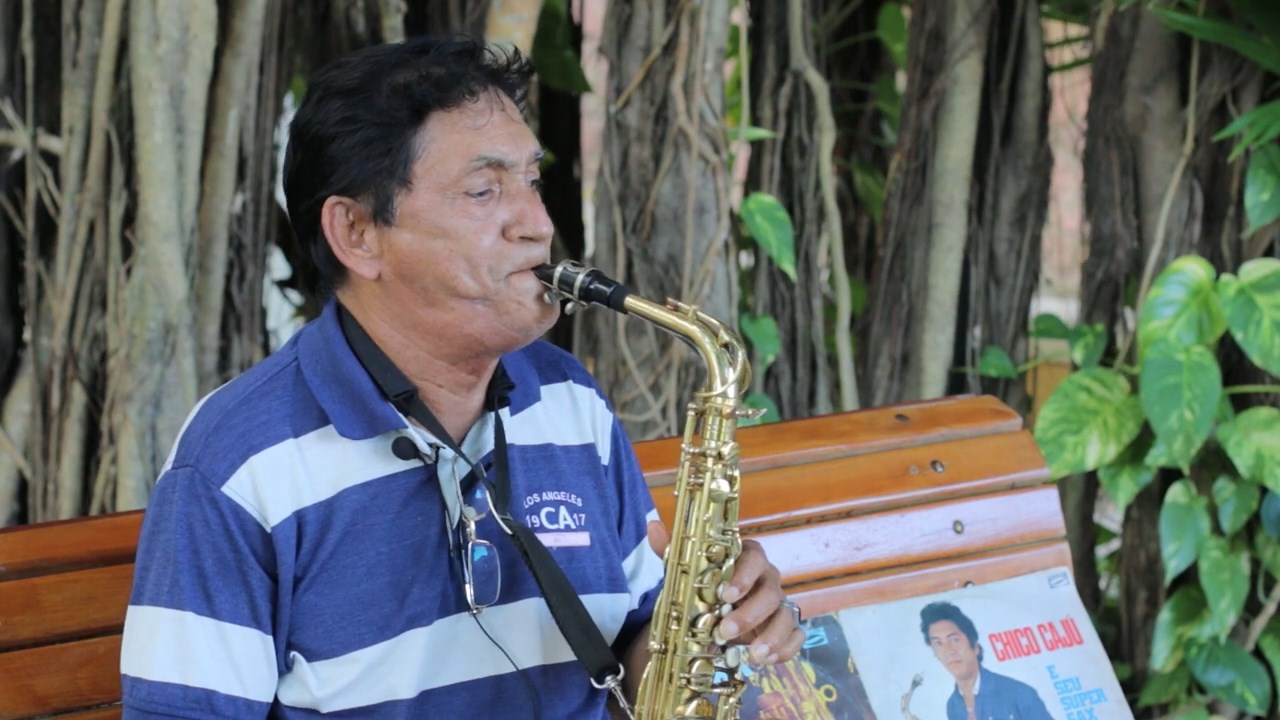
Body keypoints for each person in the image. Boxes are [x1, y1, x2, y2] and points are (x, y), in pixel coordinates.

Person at [118, 34, 803, 718]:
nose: (538, 224)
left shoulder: (570, 400)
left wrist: (714, 631)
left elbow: (635, 649)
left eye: (532, 182)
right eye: (483, 191)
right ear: (356, 233)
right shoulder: (238, 463)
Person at [918, 602, 1053, 720]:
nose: (948, 650)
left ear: (975, 647)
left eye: (954, 640)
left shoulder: (1019, 694)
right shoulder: (952, 706)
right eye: (938, 643)